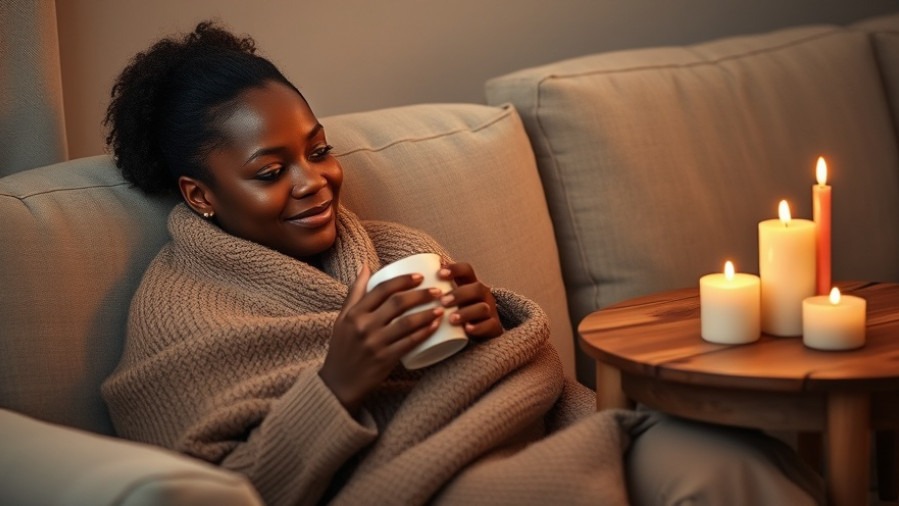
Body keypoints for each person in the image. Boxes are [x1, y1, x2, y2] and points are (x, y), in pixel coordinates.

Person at [100, 21, 824, 506]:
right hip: (421, 489)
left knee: (722, 457)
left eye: (317, 151)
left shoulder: (397, 249)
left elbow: (518, 377)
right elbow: (226, 492)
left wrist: (492, 324)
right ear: (200, 194)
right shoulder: (180, 314)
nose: (312, 181)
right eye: (269, 170)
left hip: (553, 439)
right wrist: (338, 381)